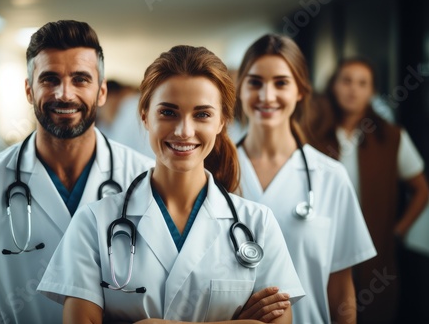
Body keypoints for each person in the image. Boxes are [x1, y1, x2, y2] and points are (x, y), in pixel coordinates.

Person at [38, 45, 305, 323]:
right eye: (168, 112)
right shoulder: (93, 222)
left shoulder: (258, 224)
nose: (184, 131)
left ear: (222, 121)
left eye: (202, 114)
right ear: (144, 116)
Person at [0, 20, 154, 324]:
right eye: (50, 79)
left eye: (80, 79)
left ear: (101, 91)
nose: (64, 94)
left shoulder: (146, 180)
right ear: (29, 89)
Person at [234, 34, 377, 324]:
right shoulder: (215, 173)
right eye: (255, 82)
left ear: (300, 90)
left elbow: (341, 290)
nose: (266, 96)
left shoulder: (330, 177)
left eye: (281, 83)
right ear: (240, 88)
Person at [304, 58, 429, 324]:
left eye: (362, 83)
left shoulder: (391, 136)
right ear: (333, 86)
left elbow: (421, 189)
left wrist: (398, 230)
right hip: (323, 241)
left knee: (374, 309)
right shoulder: (312, 134)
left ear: (371, 91)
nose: (353, 89)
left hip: (375, 247)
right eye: (346, 80)